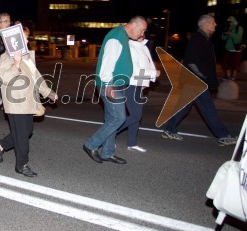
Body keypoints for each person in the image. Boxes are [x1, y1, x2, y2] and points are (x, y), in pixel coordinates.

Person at [162, 15, 238, 146]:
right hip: (196, 81)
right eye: (214, 23)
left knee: (185, 107)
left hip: (194, 80)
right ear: (206, 24)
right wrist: (202, 78)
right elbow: (191, 62)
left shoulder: (204, 39)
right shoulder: (198, 39)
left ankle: (169, 129)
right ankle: (223, 136)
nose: (215, 25)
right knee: (208, 109)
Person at [83, 16, 147, 165]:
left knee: (112, 119)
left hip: (116, 84)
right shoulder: (117, 37)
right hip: (110, 84)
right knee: (119, 118)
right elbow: (107, 62)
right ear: (135, 26)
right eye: (142, 30)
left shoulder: (123, 37)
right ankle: (91, 144)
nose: (142, 34)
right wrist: (108, 84)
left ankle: (107, 152)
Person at [0, 34, 58, 177]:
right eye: (24, 39)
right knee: (22, 136)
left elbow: (36, 76)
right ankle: (21, 165)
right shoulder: (5, 57)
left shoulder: (26, 56)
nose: (28, 41)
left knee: (27, 131)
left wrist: (49, 93)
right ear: (14, 42)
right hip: (15, 102)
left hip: (28, 101)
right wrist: (16, 63)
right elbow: (4, 78)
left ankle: (1, 144)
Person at [116, 35, 160, 153]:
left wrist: (151, 75)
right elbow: (135, 70)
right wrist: (154, 73)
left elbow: (148, 65)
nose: (143, 32)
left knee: (136, 117)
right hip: (131, 84)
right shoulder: (130, 47)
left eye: (144, 30)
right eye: (141, 29)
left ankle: (132, 143)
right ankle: (109, 134)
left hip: (139, 84)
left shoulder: (143, 47)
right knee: (136, 116)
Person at [221, 16, 244, 81]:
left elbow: (238, 38)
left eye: (230, 21)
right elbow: (223, 38)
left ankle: (233, 76)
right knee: (226, 64)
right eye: (228, 22)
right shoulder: (228, 27)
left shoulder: (239, 28)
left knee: (235, 64)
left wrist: (230, 33)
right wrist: (224, 33)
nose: (229, 23)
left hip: (236, 49)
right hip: (228, 49)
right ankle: (227, 76)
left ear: (233, 21)